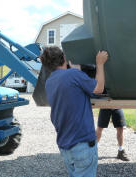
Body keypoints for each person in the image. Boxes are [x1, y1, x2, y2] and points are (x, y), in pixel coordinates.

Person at [41, 46, 108, 177]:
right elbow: (99, 88)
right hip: (82, 143)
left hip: (65, 146)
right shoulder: (73, 75)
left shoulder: (49, 82)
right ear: (64, 58)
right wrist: (100, 64)